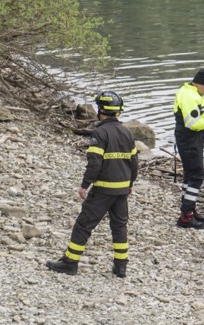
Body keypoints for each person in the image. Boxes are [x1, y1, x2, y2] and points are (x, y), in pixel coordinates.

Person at [46, 90, 138, 277]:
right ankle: (121, 266)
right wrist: (130, 184)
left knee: (84, 225)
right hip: (121, 189)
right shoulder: (127, 133)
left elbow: (95, 162)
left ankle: (70, 262)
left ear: (100, 110)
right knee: (119, 226)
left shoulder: (100, 132)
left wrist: (84, 185)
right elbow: (134, 162)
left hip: (103, 189)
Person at [173, 68, 204, 229]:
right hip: (189, 140)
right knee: (197, 176)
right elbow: (192, 123)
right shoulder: (189, 96)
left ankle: (189, 211)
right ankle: (186, 216)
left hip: (191, 140)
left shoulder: (192, 93)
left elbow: (199, 114)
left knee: (190, 175)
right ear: (199, 84)